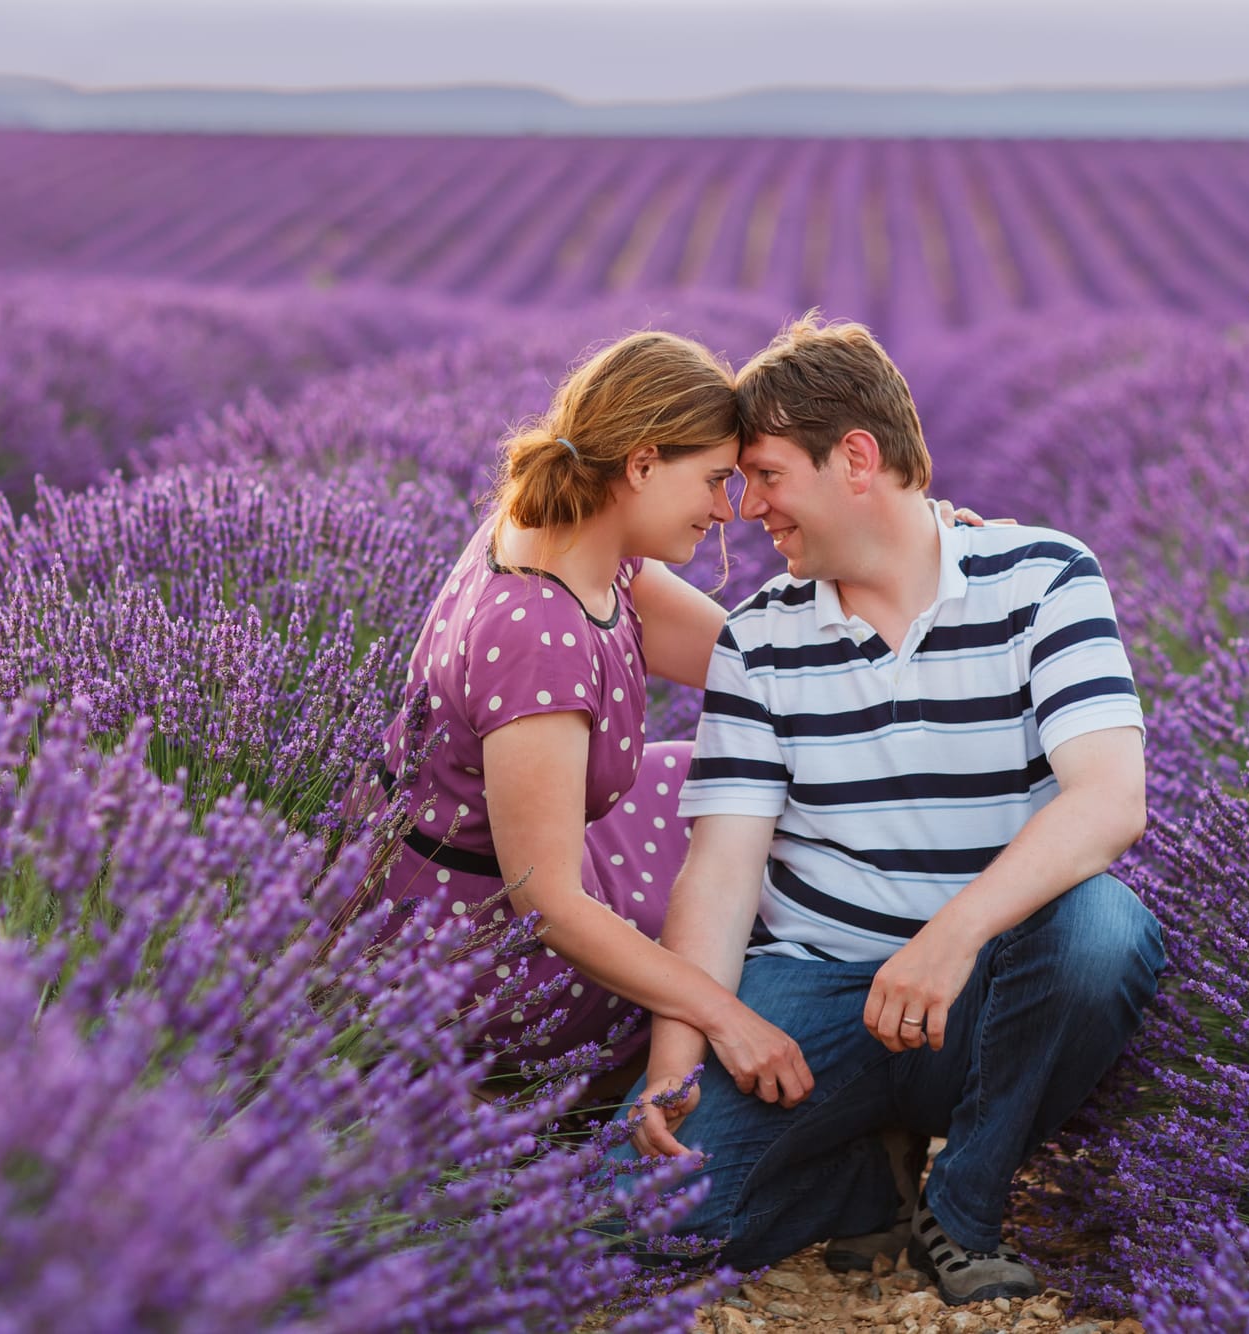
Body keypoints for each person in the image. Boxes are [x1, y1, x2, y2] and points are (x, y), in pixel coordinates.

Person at [622, 314, 1167, 1306]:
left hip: (987, 991)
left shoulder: (1042, 577)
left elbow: (1108, 799)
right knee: (640, 1217)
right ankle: (854, 1172)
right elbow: (721, 868)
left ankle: (960, 1204)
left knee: (1102, 932)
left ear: (856, 459)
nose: (747, 508)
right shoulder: (758, 640)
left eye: (766, 473)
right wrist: (679, 1052)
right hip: (817, 997)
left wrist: (949, 935)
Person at [367, 329, 820, 1080]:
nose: (727, 509)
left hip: (508, 862)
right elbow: (546, 903)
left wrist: (925, 555)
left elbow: (754, 665)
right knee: (744, 928)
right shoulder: (539, 637)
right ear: (642, 464)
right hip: (472, 952)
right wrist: (723, 1012)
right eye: (712, 480)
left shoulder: (569, 533)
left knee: (739, 800)